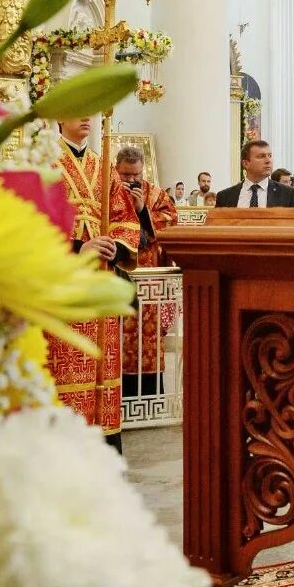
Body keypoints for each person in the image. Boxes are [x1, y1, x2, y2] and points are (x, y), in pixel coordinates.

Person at [54, 118, 123, 451]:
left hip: (100, 279)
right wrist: (78, 247)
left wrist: (115, 245)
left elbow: (124, 218)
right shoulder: (44, 159)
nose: (85, 118)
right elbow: (34, 218)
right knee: (64, 366)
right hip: (62, 280)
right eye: (77, 111)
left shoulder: (103, 164)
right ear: (59, 117)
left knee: (101, 365)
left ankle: (104, 445)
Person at [109, 145, 180, 400]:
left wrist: (142, 210)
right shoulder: (107, 188)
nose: (130, 180)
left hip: (147, 277)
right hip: (116, 275)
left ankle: (149, 399)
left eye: (135, 175)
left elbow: (171, 221)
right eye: (126, 174)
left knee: (146, 342)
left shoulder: (155, 193)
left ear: (142, 171)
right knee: (115, 339)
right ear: (116, 168)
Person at [215, 141, 294, 208]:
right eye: (261, 156)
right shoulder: (225, 197)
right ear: (246, 164)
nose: (268, 161)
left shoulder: (288, 194)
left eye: (270, 156)